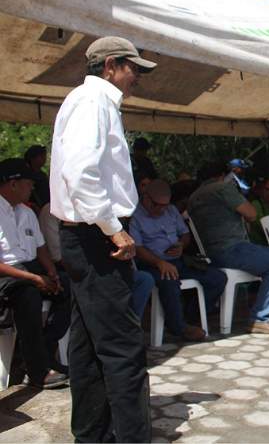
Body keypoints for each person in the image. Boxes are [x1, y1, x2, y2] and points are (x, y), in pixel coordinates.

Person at [49, 36, 154, 442]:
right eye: (133, 68)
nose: (137, 77)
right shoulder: (94, 101)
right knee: (123, 346)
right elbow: (82, 173)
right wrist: (114, 229)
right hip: (97, 235)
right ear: (110, 65)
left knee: (89, 344)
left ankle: (92, 435)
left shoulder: (90, 101)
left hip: (87, 234)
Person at [188, 161, 269, 334]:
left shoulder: (193, 197)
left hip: (210, 254)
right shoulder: (222, 188)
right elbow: (252, 214)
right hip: (232, 248)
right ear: (221, 175)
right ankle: (260, 318)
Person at [0, 159, 69, 388]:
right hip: (6, 274)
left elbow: (40, 248)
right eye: (28, 183)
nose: (32, 188)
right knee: (28, 294)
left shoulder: (27, 212)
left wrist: (51, 271)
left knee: (67, 287)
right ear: (13, 184)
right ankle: (37, 371)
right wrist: (34, 278)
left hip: (29, 268)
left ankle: (44, 352)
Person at [131, 179, 227, 341]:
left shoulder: (171, 210)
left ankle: (191, 316)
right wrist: (159, 263)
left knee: (217, 278)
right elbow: (137, 248)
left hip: (177, 260)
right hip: (151, 263)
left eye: (165, 205)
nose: (162, 209)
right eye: (157, 205)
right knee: (169, 281)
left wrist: (181, 245)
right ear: (146, 198)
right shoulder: (135, 215)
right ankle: (178, 327)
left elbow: (185, 234)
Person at [24, 145, 50, 211]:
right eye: (41, 156)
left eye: (44, 155)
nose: (44, 158)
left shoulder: (43, 175)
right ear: (32, 158)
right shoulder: (25, 175)